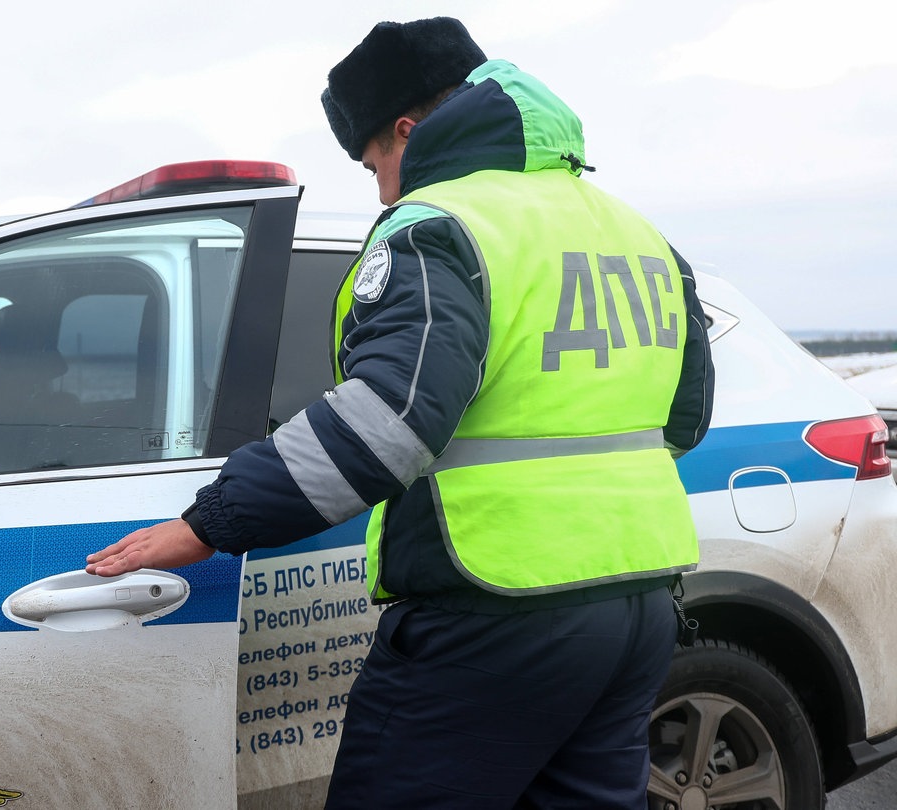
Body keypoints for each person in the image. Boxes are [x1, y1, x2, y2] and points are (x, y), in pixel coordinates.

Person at [86, 16, 714, 809]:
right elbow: (685, 419)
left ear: (409, 131)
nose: (382, 186)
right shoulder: (636, 231)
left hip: (494, 608)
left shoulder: (440, 228)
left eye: (374, 159)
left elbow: (388, 420)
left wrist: (210, 523)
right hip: (639, 603)